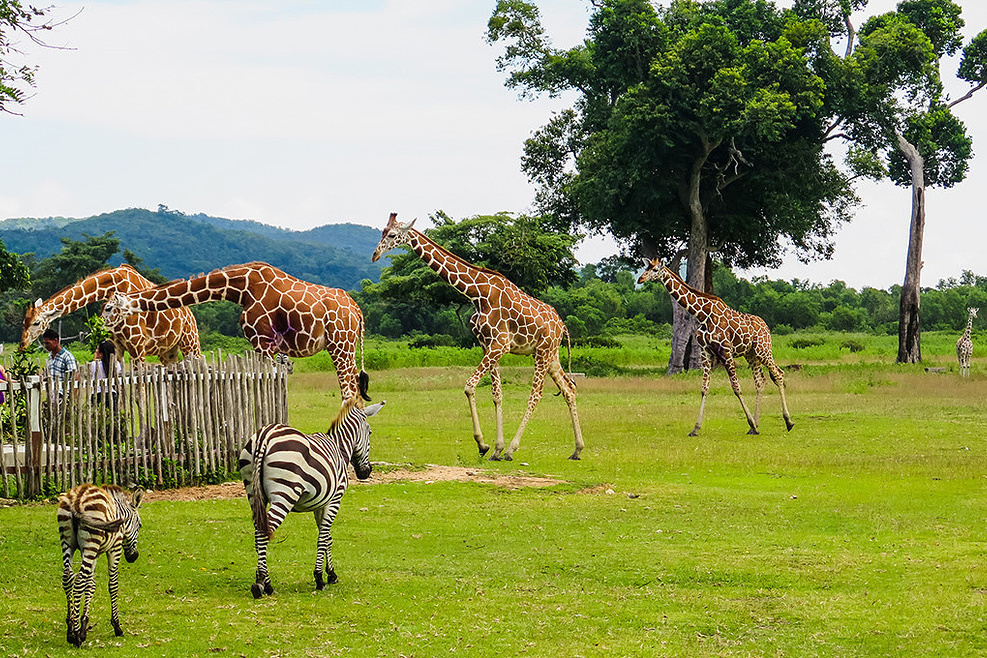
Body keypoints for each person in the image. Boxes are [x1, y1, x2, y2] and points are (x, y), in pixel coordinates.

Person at [42, 328, 78, 395]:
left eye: (48, 343)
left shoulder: (67, 356)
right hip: (52, 393)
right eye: (44, 343)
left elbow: (75, 377)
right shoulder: (50, 355)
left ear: (55, 341)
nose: (46, 346)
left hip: (63, 394)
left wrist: (71, 397)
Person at [90, 340, 121, 405]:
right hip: (111, 394)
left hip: (97, 394)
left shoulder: (94, 364)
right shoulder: (116, 365)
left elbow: (91, 372)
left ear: (101, 354)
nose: (96, 351)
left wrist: (95, 358)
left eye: (97, 349)